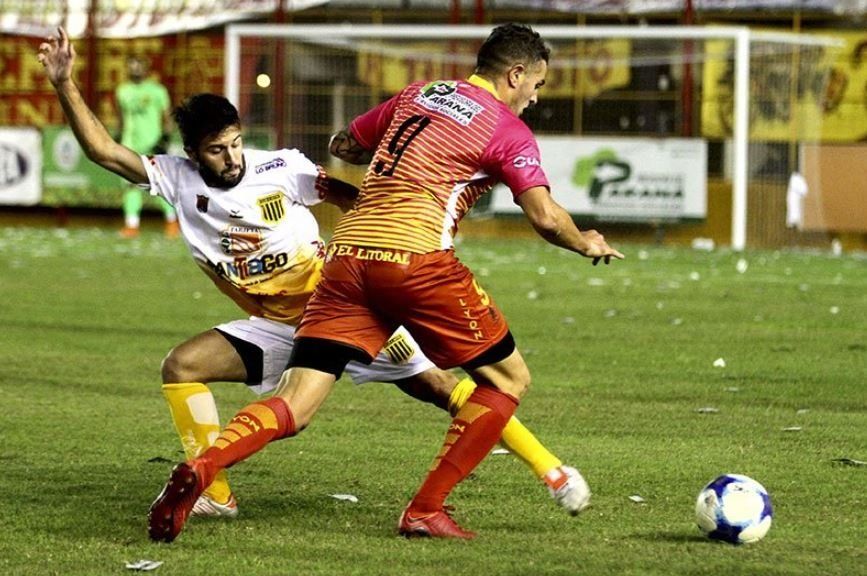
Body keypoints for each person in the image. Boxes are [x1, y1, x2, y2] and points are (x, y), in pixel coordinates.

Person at [37, 25, 591, 534]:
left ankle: (551, 470)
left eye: (235, 143)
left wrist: (392, 209)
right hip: (309, 311)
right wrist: (64, 82)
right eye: (216, 150)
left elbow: (347, 180)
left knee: (435, 388)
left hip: (335, 286)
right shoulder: (177, 178)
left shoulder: (280, 166)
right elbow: (103, 151)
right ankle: (214, 488)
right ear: (192, 154)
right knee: (183, 367)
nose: (231, 158)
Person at [116, 55, 178, 238]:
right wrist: (117, 139)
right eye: (131, 65)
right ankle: (131, 224)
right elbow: (121, 119)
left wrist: (164, 140)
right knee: (130, 185)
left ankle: (172, 222)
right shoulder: (122, 91)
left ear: (146, 68)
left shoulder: (158, 91)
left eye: (138, 65)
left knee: (159, 184)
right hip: (129, 144)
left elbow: (167, 118)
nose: (135, 69)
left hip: (152, 144)